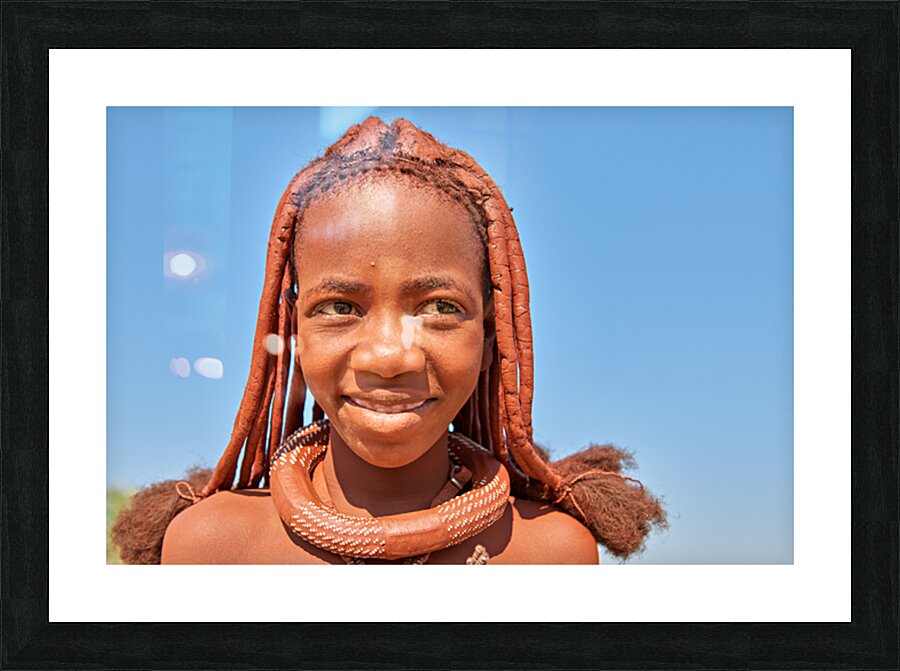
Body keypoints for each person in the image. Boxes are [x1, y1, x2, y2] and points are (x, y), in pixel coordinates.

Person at [112, 116, 666, 565]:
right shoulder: (210, 548)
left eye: (441, 309)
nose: (388, 356)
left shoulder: (549, 554)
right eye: (339, 308)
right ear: (294, 331)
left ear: (490, 333)